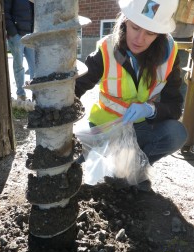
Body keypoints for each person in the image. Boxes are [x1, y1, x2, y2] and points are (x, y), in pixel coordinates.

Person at [75, 0, 188, 192]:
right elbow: (77, 87)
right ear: (126, 20)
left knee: (176, 133)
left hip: (139, 128)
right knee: (76, 164)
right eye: (135, 27)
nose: (139, 39)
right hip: (104, 128)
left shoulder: (169, 54)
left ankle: (136, 168)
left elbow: (175, 106)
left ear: (159, 33)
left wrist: (150, 110)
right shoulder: (107, 49)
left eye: (150, 33)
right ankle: (120, 170)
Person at [4, 0, 35, 101]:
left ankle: (36, 93)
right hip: (17, 35)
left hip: (30, 35)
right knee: (19, 66)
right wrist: (13, 33)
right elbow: (5, 12)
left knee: (34, 65)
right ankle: (21, 94)